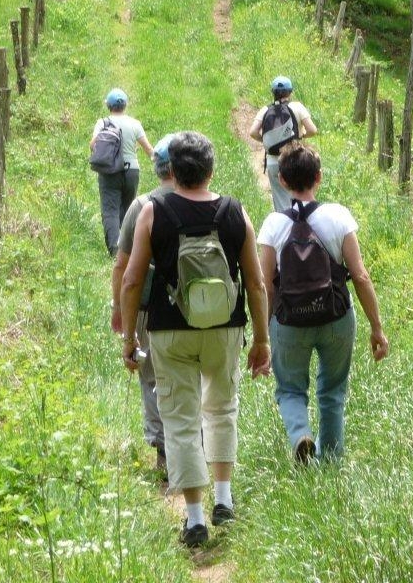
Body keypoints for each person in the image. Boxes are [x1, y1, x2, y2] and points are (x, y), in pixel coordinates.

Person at [120, 131, 270, 549]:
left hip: (170, 330)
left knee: (181, 420)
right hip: (225, 328)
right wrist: (261, 339)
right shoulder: (234, 212)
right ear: (211, 170)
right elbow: (256, 283)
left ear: (173, 170)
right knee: (222, 409)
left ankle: (195, 518)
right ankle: (224, 497)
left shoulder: (153, 211)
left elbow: (132, 280)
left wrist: (130, 337)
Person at [257, 141, 389, 464]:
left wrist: (262, 333)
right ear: (319, 177)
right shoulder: (339, 216)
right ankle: (329, 461)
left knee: (290, 390)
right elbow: (360, 277)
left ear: (283, 181)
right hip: (336, 318)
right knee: (332, 392)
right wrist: (377, 328)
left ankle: (301, 434)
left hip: (289, 323)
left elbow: (265, 287)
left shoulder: (274, 225)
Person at [111, 134, 176, 479]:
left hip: (149, 307)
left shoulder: (141, 206)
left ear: (157, 168)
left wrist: (120, 308)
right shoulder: (198, 201)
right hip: (192, 308)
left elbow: (122, 267)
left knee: (151, 377)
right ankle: (190, 443)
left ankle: (164, 449)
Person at [90, 88, 153, 256]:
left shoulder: (103, 123)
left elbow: (93, 145)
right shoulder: (135, 124)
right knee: (127, 209)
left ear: (108, 106)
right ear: (125, 105)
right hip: (131, 171)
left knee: (110, 210)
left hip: (110, 171)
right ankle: (128, 249)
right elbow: (149, 150)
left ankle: (115, 250)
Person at [248, 76, 317, 212]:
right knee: (300, 197)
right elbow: (312, 130)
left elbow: (253, 132)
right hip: (296, 160)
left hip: (274, 162)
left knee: (281, 204)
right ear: (290, 92)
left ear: (273, 92)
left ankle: (285, 229)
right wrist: (300, 136)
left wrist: (268, 141)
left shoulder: (265, 110)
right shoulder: (297, 107)